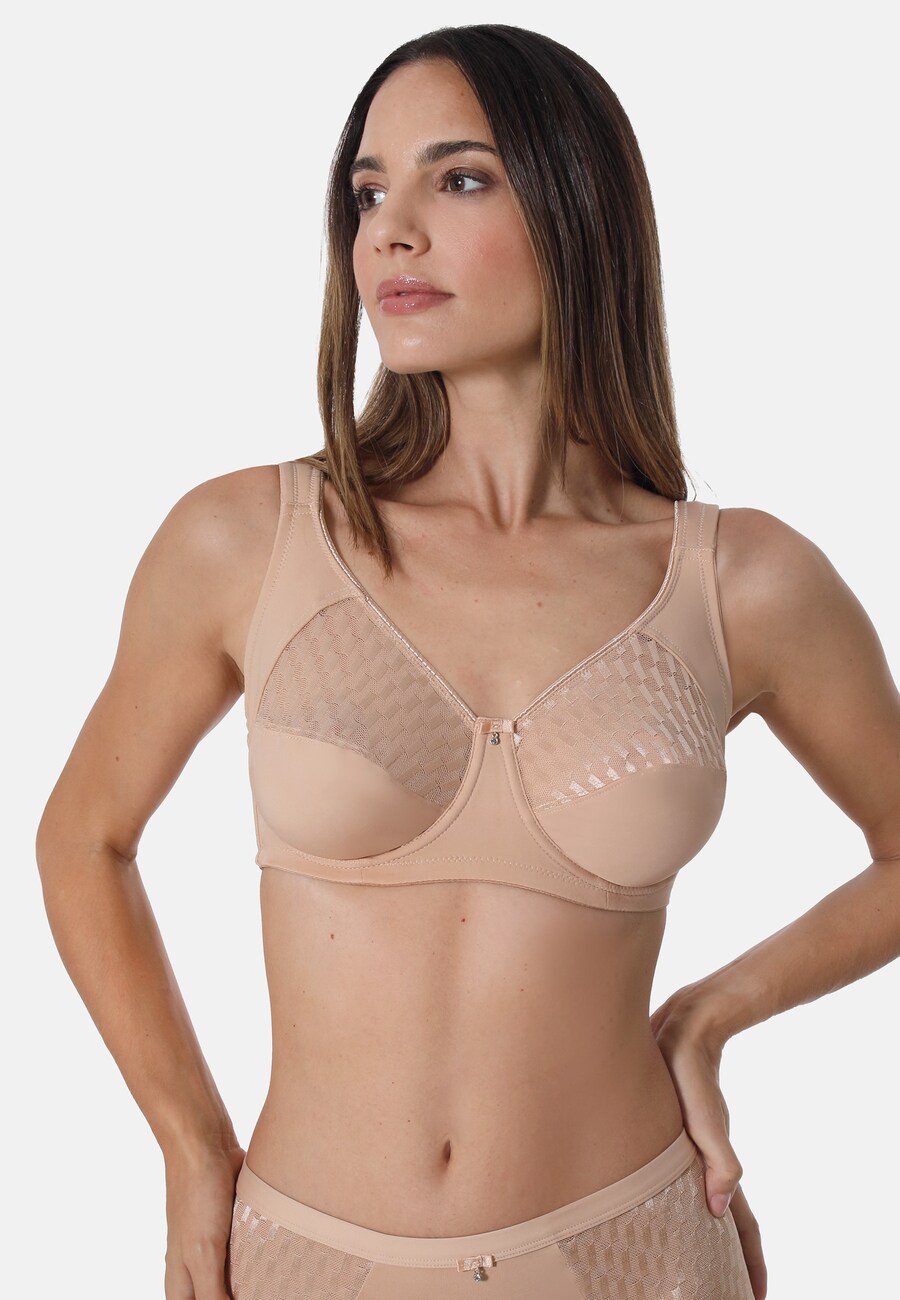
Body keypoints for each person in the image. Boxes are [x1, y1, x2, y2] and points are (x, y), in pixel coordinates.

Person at [35, 22, 900, 1300]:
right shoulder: (246, 540)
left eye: (459, 178)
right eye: (367, 191)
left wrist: (713, 1012)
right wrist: (188, 1146)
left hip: (633, 1249)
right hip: (306, 1260)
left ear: (577, 205)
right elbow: (84, 837)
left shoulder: (742, 581)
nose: (390, 231)